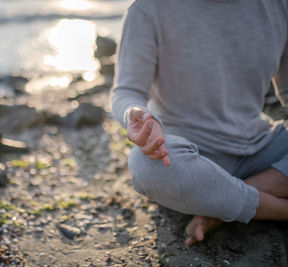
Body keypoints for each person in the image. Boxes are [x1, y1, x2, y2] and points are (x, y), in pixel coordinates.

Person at [111, 0, 288, 246]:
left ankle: (220, 206)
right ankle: (278, 209)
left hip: (260, 145)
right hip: (186, 154)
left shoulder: (279, 6)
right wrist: (135, 113)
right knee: (145, 167)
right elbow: (126, 91)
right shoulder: (148, 8)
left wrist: (226, 200)